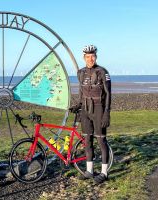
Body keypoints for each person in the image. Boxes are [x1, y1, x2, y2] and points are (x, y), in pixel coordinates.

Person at [70, 45, 111, 184]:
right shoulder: (80, 72)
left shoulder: (102, 71)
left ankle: (104, 173)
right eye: (87, 56)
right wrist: (78, 105)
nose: (90, 59)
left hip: (99, 109)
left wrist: (107, 113)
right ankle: (89, 171)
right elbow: (81, 91)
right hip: (85, 110)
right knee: (87, 141)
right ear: (84, 57)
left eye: (92, 56)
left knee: (101, 140)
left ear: (96, 56)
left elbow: (108, 93)